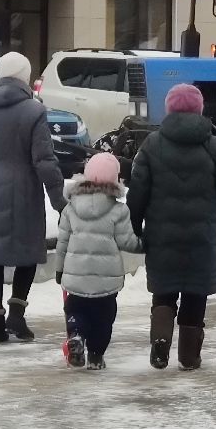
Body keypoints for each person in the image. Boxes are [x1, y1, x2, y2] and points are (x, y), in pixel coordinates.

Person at [127, 83, 216, 371]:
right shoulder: (214, 145)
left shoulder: (152, 144)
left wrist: (135, 225)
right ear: (199, 109)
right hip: (204, 235)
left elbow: (137, 191)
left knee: (164, 291)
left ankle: (161, 341)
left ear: (169, 109)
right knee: (195, 292)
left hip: (161, 234)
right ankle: (189, 357)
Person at [0, 51, 66, 343]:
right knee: (26, 252)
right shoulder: (34, 111)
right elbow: (44, 160)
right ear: (24, 77)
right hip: (24, 191)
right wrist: (59, 201)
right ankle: (17, 314)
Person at [54, 153, 143, 371]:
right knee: (103, 319)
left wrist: (59, 269)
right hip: (106, 281)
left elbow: (62, 242)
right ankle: (96, 355)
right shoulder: (119, 210)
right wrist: (146, 243)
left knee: (75, 309)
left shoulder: (70, 208)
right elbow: (127, 242)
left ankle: (76, 334)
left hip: (76, 277)